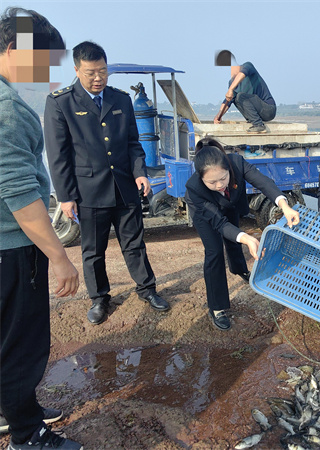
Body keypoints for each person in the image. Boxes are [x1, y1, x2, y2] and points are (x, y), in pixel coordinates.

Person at [0, 7, 83, 449]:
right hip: (11, 247)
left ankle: (14, 410)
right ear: (15, 51)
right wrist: (59, 256)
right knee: (21, 343)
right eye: (43, 62)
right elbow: (19, 192)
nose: (47, 74)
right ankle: (27, 437)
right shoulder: (7, 108)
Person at [44, 40, 170, 325]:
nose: (98, 78)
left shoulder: (120, 99)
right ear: (77, 70)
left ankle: (147, 289)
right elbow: (58, 156)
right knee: (93, 250)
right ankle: (100, 298)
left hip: (125, 187)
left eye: (102, 71)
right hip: (88, 192)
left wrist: (141, 172)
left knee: (134, 243)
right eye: (91, 73)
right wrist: (66, 196)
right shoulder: (61, 102)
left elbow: (133, 143)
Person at [185, 139, 299, 330]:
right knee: (214, 253)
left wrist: (284, 205)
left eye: (223, 178)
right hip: (206, 214)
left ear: (228, 168)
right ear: (201, 178)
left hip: (230, 203)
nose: (220, 184)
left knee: (234, 239)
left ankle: (240, 269)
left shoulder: (236, 162)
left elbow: (263, 182)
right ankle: (217, 307)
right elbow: (219, 223)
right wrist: (247, 238)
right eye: (212, 182)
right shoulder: (194, 189)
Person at [213, 51, 276, 134]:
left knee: (240, 96)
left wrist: (231, 89)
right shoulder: (232, 82)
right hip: (258, 113)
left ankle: (259, 125)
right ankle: (253, 120)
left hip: (268, 109)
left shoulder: (248, 66)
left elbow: (243, 73)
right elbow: (227, 101)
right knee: (234, 98)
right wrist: (219, 115)